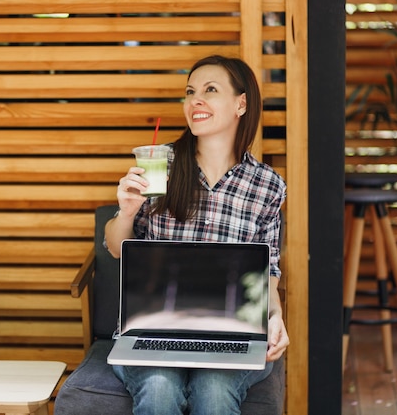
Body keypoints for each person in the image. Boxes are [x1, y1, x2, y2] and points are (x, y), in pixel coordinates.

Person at [103, 55, 289, 415]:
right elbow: (115, 248)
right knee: (159, 389)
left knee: (215, 392)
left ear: (241, 103)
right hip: (153, 330)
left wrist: (275, 317)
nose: (195, 100)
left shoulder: (268, 186)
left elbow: (267, 274)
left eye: (210, 90)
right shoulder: (159, 165)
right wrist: (126, 213)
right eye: (190, 92)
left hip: (233, 333)